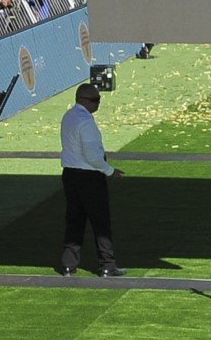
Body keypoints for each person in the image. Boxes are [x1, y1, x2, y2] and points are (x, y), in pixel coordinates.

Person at [60, 83, 126, 277]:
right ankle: (107, 264)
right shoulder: (85, 122)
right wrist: (110, 171)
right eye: (95, 100)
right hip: (89, 177)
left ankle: (68, 265)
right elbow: (92, 156)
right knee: (101, 222)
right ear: (82, 100)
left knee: (74, 220)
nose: (98, 104)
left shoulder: (69, 116)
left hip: (71, 176)